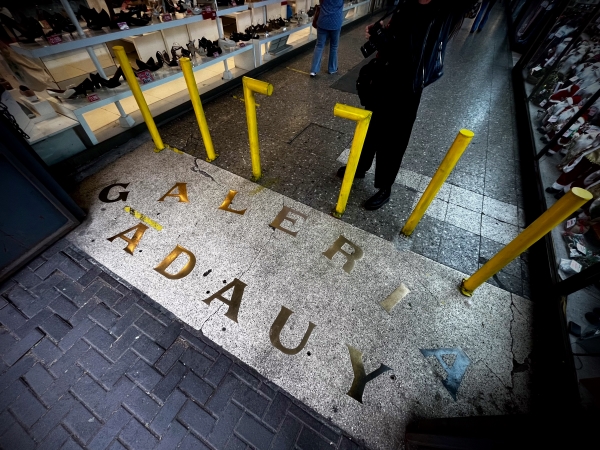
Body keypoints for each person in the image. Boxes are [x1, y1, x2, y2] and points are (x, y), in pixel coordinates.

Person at [338, 0, 476, 210]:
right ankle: (359, 167)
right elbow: (397, 37)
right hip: (384, 76)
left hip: (406, 88)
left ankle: (385, 187)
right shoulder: (408, 2)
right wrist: (379, 34)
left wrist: (383, 40)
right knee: (370, 125)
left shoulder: (444, 10)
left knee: (394, 138)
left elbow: (409, 52)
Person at [310, 0, 344, 77]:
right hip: (336, 22)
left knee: (319, 45)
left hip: (323, 21)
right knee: (334, 47)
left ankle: (313, 70)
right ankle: (332, 69)